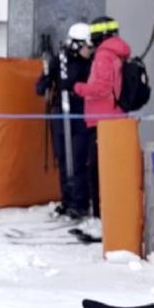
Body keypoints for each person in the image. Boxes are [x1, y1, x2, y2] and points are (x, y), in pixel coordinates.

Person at [73, 16, 130, 225]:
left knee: (97, 172)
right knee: (107, 171)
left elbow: (102, 87)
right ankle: (106, 218)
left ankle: (100, 220)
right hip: (112, 119)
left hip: (102, 122)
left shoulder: (104, 55)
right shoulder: (118, 53)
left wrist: (79, 88)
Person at [35, 23, 93, 219]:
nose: (90, 50)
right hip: (61, 113)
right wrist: (43, 84)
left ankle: (81, 203)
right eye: (88, 46)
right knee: (62, 159)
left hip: (81, 115)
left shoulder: (92, 63)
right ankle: (67, 201)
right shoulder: (59, 60)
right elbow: (44, 80)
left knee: (77, 160)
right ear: (76, 44)